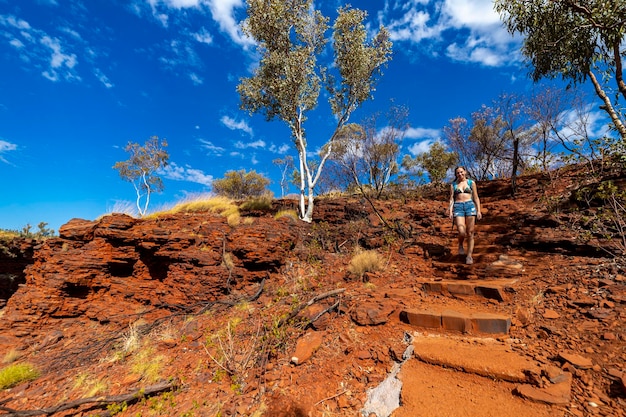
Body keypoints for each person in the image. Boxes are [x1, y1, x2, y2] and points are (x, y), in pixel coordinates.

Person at [448, 166, 482, 264]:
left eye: (461, 172)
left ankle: (469, 256)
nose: (460, 174)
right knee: (462, 231)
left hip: (470, 206)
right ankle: (460, 244)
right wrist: (450, 212)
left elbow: (476, 197)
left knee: (470, 232)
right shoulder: (453, 185)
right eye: (458, 173)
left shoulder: (471, 183)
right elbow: (451, 199)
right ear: (456, 174)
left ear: (465, 172)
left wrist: (478, 210)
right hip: (458, 207)